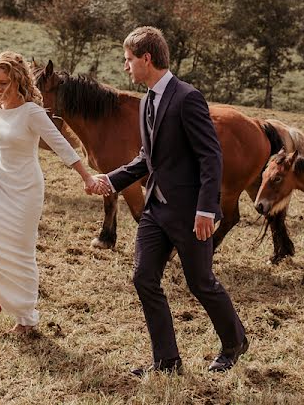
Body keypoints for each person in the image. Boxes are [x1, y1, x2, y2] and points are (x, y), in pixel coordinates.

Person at [89, 26, 248, 374]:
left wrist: (206, 209)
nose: (125, 66)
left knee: (200, 283)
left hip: (191, 213)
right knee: (144, 278)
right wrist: (110, 180)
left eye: (129, 59)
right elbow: (147, 159)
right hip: (155, 210)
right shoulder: (147, 100)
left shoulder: (187, 97)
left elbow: (211, 157)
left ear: (147, 59)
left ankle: (235, 341)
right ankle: (167, 361)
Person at [0, 51, 102, 334]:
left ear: (19, 81)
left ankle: (26, 319)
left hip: (25, 189)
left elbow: (60, 144)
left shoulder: (31, 112)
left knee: (20, 251)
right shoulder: (0, 108)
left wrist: (86, 176)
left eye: (3, 83)